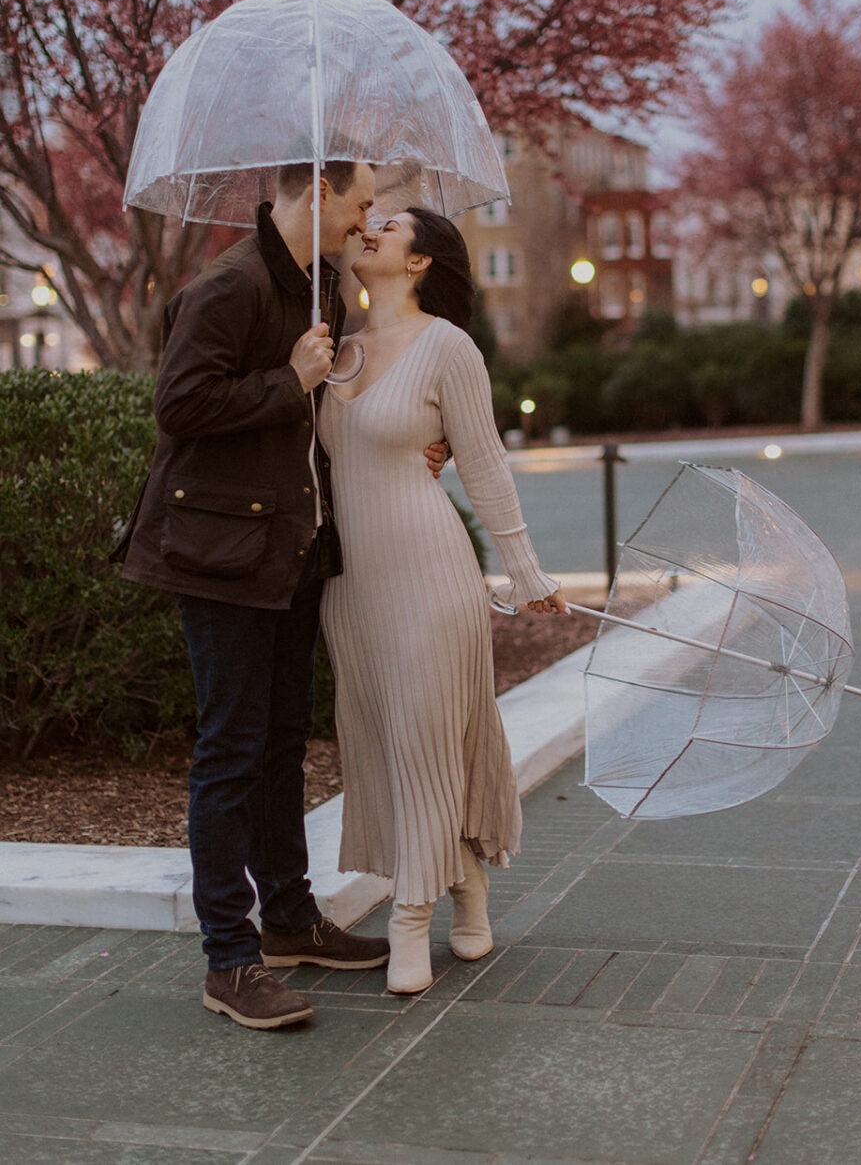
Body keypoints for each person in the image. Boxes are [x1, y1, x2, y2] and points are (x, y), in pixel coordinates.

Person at [115, 160, 446, 1030]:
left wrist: (414, 444)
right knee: (230, 750)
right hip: (221, 554)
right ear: (319, 190)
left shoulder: (317, 292)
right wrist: (286, 381)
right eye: (362, 200)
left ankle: (291, 922)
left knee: (279, 746)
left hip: (291, 551)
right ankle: (230, 960)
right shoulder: (227, 287)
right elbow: (180, 406)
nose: (368, 218)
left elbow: (324, 422)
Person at [317, 206, 567, 995]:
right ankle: (467, 881)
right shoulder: (331, 352)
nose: (368, 230)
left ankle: (407, 918)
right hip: (349, 586)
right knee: (390, 742)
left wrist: (526, 571)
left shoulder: (448, 347)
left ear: (420, 262)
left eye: (386, 227)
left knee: (428, 730)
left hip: (430, 572)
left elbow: (485, 464)